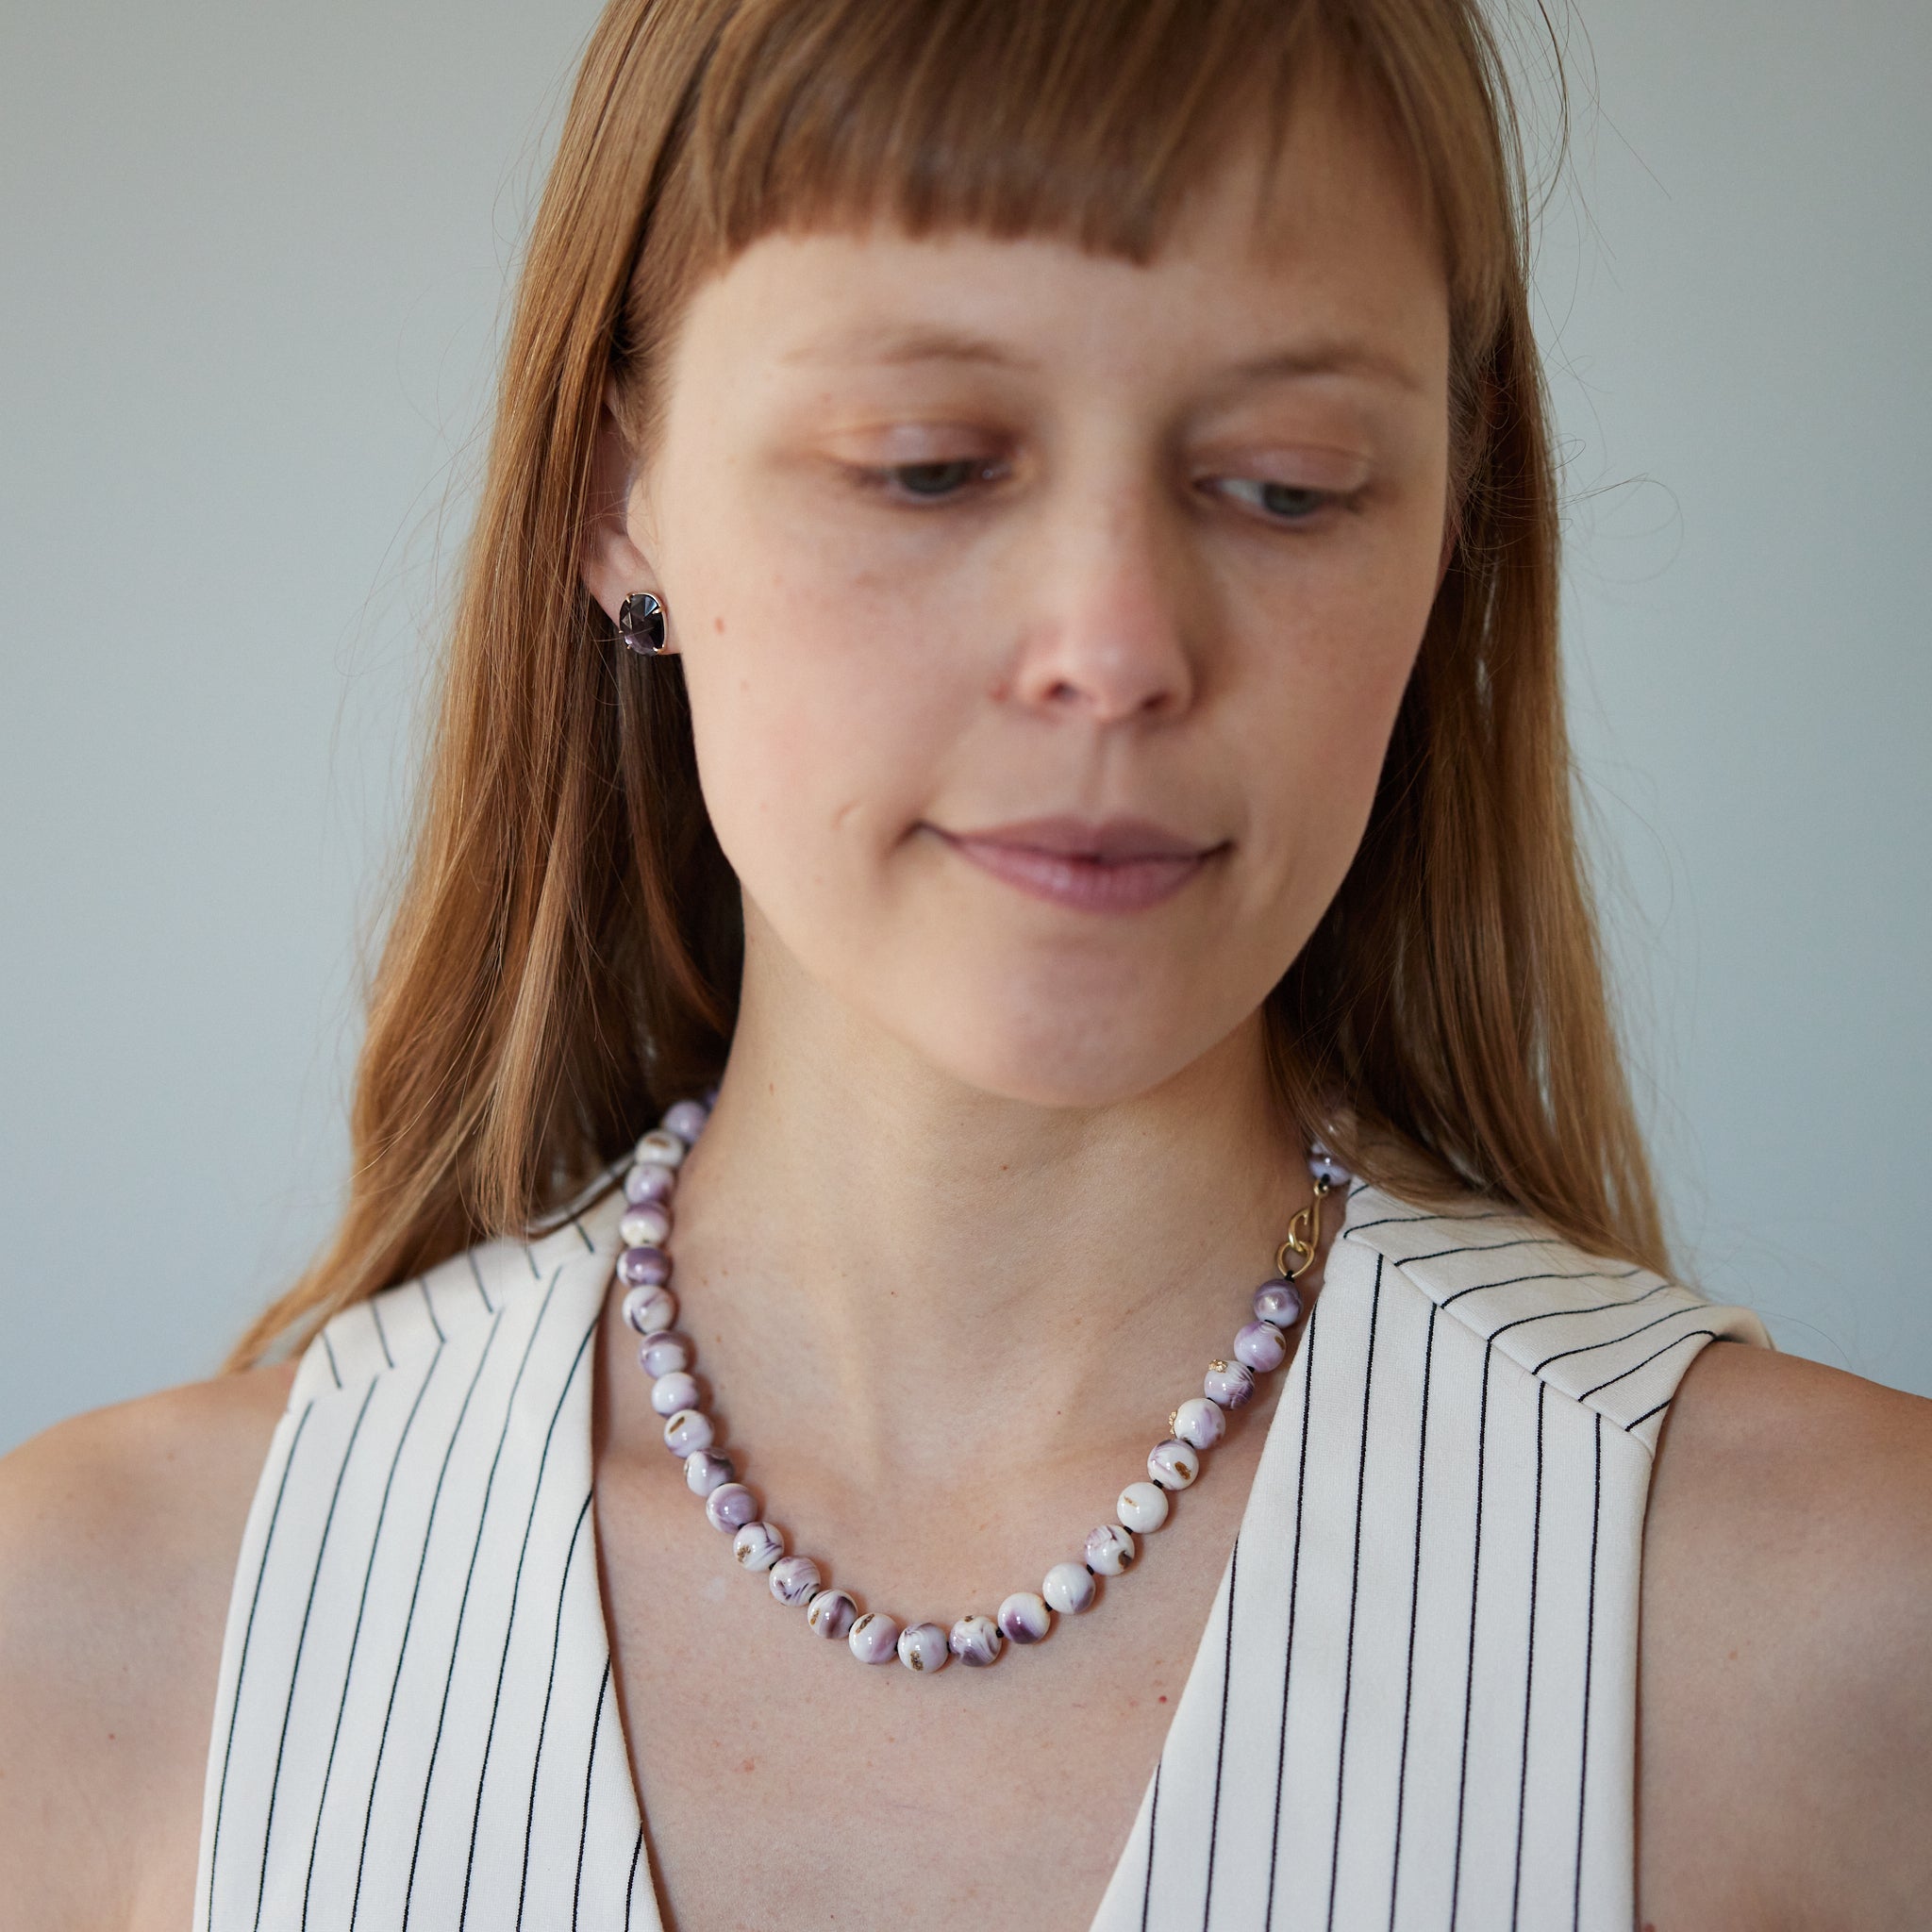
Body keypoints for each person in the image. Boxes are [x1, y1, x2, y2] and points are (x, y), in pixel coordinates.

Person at [4, 0, 1928, 1925]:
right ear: (615, 505)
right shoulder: (89, 1643)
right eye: (928, 466)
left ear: (1448, 525)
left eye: (1286, 482)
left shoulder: (1852, 1639)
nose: (1112, 645)